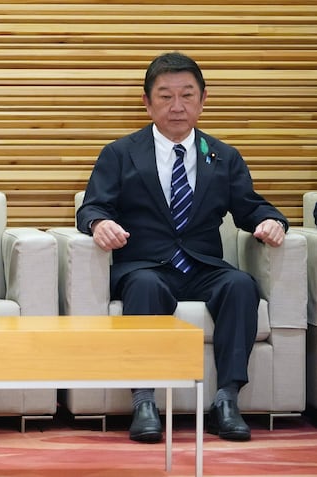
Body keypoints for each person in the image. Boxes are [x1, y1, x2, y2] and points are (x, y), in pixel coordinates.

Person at [77, 51, 287, 443]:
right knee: (144, 287)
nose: (177, 107)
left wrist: (270, 220)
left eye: (187, 95)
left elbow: (249, 206)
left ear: (203, 99)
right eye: (165, 96)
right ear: (147, 102)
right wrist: (99, 223)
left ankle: (226, 399)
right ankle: (144, 399)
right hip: (144, 264)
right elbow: (93, 205)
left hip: (203, 265)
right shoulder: (120, 153)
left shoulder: (223, 156)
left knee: (241, 285)